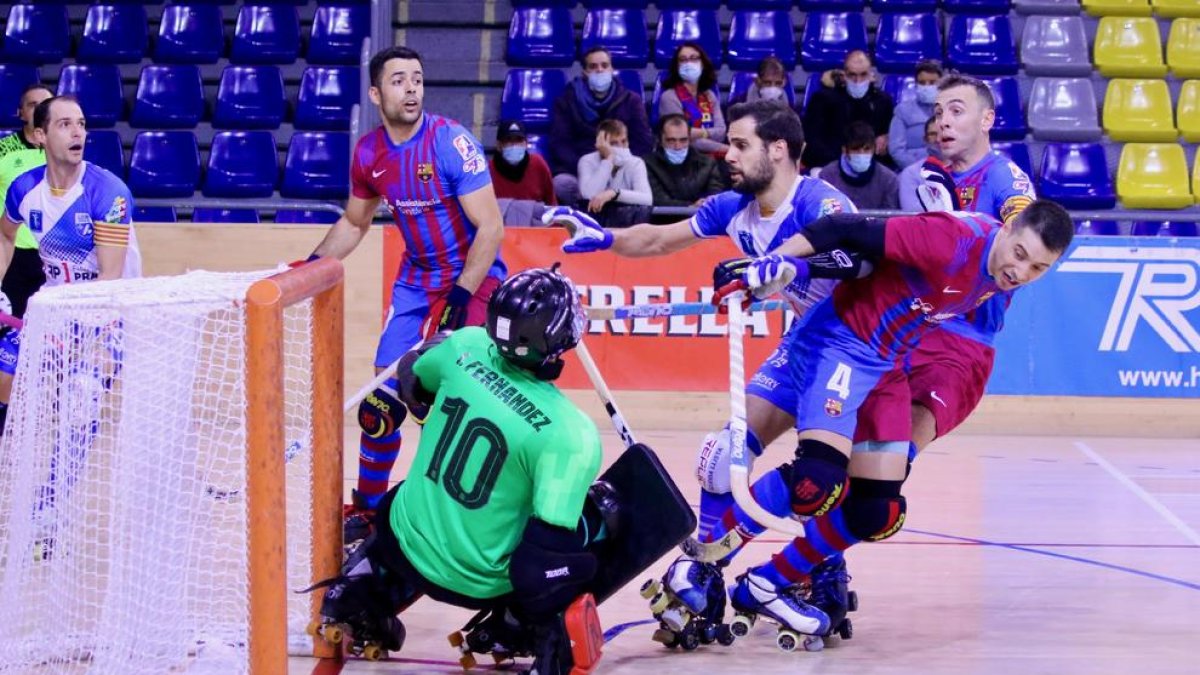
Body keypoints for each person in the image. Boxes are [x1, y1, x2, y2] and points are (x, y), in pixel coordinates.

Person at [543, 99, 860, 640]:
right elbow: (661, 238)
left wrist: (779, 266)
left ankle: (815, 569)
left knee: (816, 480)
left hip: (853, 353)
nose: (726, 154)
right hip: (804, 343)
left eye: (740, 145)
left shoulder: (821, 203)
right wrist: (606, 238)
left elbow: (859, 259)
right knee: (719, 459)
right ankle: (707, 577)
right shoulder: (734, 207)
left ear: (778, 150)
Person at [697, 199, 1073, 644]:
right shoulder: (953, 239)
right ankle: (701, 562)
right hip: (838, 342)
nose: (1021, 272)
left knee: (877, 510)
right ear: (1009, 229)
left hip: (887, 365)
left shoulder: (1001, 276)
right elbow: (843, 229)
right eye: (1020, 254)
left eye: (1038, 268)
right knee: (815, 484)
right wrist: (778, 264)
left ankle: (767, 582)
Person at [309, 266, 604, 675]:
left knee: (410, 499)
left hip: (402, 541)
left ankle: (363, 583)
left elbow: (413, 379)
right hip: (478, 582)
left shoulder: (464, 344)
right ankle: (517, 627)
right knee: (598, 516)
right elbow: (540, 563)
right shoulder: (571, 434)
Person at [300, 46, 505, 539]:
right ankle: (369, 511)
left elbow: (492, 226)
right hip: (416, 281)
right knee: (381, 405)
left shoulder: (450, 143)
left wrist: (461, 293)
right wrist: (310, 268)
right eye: (398, 80)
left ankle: (467, 520)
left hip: (471, 281)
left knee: (463, 406)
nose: (411, 88)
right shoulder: (369, 154)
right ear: (376, 94)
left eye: (417, 78)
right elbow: (354, 222)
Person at [0, 95, 140, 537]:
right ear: (40, 135)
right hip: (56, 304)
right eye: (64, 124)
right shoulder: (24, 189)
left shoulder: (108, 193)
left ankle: (50, 508)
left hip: (109, 312)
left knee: (81, 398)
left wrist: (66, 333)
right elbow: (6, 237)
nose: (77, 132)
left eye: (80, 123)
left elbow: (110, 280)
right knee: (4, 374)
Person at [549, 47, 653, 207]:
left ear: (612, 69)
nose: (599, 70)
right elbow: (560, 144)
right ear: (584, 72)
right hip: (583, 169)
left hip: (622, 168)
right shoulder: (567, 101)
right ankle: (582, 222)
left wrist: (618, 165)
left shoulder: (631, 100)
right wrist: (592, 167)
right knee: (561, 184)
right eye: (593, 66)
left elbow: (643, 142)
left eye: (604, 65)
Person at [0, 83, 53, 319]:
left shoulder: (63, 151)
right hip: (13, 253)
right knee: (12, 327)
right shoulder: (3, 150)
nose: (40, 109)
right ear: (20, 112)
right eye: (33, 105)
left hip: (54, 253)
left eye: (46, 105)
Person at [801, 50, 894, 172]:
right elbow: (811, 143)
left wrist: (887, 138)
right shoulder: (822, 100)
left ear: (871, 75)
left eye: (863, 74)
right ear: (844, 75)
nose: (857, 80)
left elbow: (890, 138)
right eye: (852, 75)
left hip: (870, 165)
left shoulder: (882, 101)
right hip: (829, 164)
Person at [576, 119, 653, 228]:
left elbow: (647, 199)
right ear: (601, 145)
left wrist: (614, 193)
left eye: (624, 141)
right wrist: (608, 159)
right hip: (595, 222)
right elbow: (589, 194)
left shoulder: (636, 162)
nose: (621, 147)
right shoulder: (587, 161)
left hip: (627, 224)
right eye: (613, 143)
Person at [657, 42, 728, 156]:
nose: (688, 63)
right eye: (683, 59)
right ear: (677, 66)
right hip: (683, 157)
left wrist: (698, 133)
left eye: (693, 58)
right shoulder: (669, 97)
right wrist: (725, 148)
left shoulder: (709, 95)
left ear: (702, 64)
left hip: (713, 158)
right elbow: (681, 139)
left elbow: (721, 132)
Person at [645, 113, 726, 208]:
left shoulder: (708, 164)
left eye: (683, 140)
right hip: (663, 220)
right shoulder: (647, 164)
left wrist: (705, 203)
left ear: (690, 140)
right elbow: (658, 199)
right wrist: (690, 206)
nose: (677, 146)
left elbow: (715, 194)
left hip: (701, 218)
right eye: (671, 140)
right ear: (660, 140)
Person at [816, 121, 900, 210]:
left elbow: (889, 218)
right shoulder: (827, 176)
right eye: (855, 149)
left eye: (867, 149)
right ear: (845, 150)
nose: (862, 154)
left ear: (874, 149)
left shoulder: (889, 180)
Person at [489, 120, 556, 226]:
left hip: (535, 234)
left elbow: (551, 205)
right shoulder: (487, 171)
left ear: (526, 144)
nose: (514, 145)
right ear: (499, 145)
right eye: (509, 141)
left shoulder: (538, 164)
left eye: (519, 140)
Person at [888, 60, 943, 169]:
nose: (927, 87)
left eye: (932, 82)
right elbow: (896, 150)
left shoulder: (951, 111)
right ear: (916, 84)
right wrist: (918, 169)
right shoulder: (902, 111)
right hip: (912, 171)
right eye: (922, 83)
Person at [897, 116, 940, 211]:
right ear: (925, 139)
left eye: (942, 133)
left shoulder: (967, 171)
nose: (938, 139)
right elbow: (913, 212)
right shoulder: (911, 174)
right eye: (933, 134)